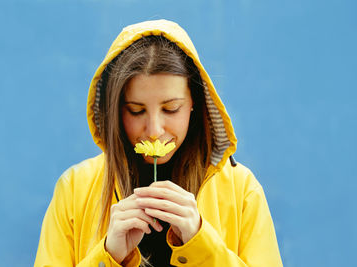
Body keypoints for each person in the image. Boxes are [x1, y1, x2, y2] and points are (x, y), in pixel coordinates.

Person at [34, 19, 283, 267]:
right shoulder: (75, 189)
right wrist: (108, 256)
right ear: (116, 111)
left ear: (196, 103)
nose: (154, 131)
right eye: (136, 111)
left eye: (171, 109)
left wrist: (201, 243)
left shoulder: (242, 190)